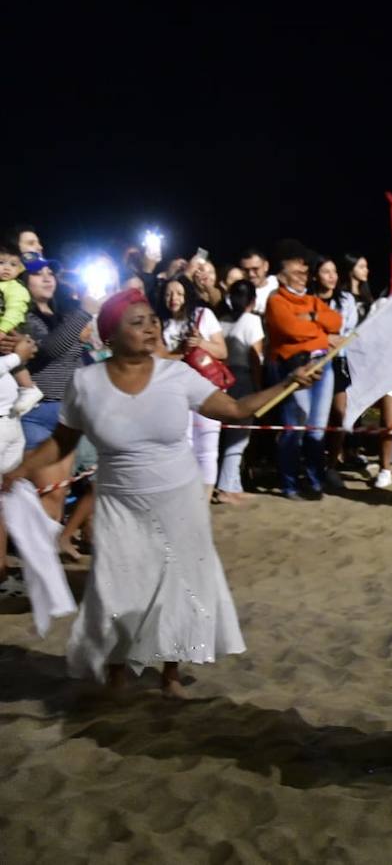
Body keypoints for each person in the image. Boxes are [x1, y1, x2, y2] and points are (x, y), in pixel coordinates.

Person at [2, 290, 322, 696]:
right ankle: (117, 671)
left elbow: (238, 411)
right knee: (116, 586)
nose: (150, 327)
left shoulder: (179, 375)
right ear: (110, 336)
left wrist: (291, 383)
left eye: (152, 319)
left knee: (178, 584)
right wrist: (22, 471)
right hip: (118, 503)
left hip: (179, 499)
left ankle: (170, 674)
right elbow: (63, 442)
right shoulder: (86, 382)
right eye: (136, 322)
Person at [5, 259, 100, 518]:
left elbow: (73, 358)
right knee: (49, 492)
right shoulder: (21, 317)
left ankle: (47, 552)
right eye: (38, 274)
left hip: (65, 415)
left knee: (58, 493)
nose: (48, 278)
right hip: (39, 412)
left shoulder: (62, 315)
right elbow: (48, 350)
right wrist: (83, 313)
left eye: (50, 273)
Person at [263, 250, 341, 499]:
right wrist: (322, 334)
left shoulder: (312, 301)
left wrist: (314, 317)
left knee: (317, 427)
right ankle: (289, 483)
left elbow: (336, 321)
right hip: (293, 366)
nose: (302, 277)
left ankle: (316, 480)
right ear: (281, 276)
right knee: (294, 426)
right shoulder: (276, 301)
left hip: (322, 363)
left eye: (305, 273)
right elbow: (291, 329)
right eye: (296, 273)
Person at [159, 277, 229, 499]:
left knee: (208, 447)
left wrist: (200, 343)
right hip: (177, 389)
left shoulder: (203, 315)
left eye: (179, 293)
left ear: (188, 294)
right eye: (169, 293)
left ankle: (205, 497)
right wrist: (180, 351)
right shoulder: (162, 323)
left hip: (208, 387)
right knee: (183, 445)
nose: (174, 298)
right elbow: (161, 358)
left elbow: (222, 352)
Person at [309, 255, 361, 488]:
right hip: (313, 362)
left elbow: (347, 331)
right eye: (325, 272)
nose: (331, 276)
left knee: (340, 413)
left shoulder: (346, 299)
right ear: (315, 275)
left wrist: (329, 338)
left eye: (334, 271)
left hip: (339, 362)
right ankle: (313, 465)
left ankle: (331, 465)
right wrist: (325, 338)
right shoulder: (307, 300)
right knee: (313, 417)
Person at [216, 280, 264, 504]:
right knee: (239, 437)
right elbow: (255, 357)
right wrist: (259, 388)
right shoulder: (252, 320)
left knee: (231, 435)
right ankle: (226, 486)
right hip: (243, 378)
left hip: (223, 380)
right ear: (253, 301)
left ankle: (233, 485)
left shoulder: (222, 322)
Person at [0, 332, 39, 584]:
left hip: (12, 419)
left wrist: (19, 344)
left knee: (5, 502)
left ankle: (1, 571)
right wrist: (17, 356)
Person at [0, 245, 45, 416]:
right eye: (1, 262)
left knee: (14, 355)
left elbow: (15, 310)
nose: (6, 268)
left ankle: (28, 388)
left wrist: (3, 330)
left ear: (19, 269)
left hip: (11, 327)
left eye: (12, 264)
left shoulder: (15, 288)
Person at [239, 248, 278, 315]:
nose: (251, 274)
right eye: (246, 270)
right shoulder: (239, 293)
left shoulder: (279, 283)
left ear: (266, 266)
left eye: (255, 269)